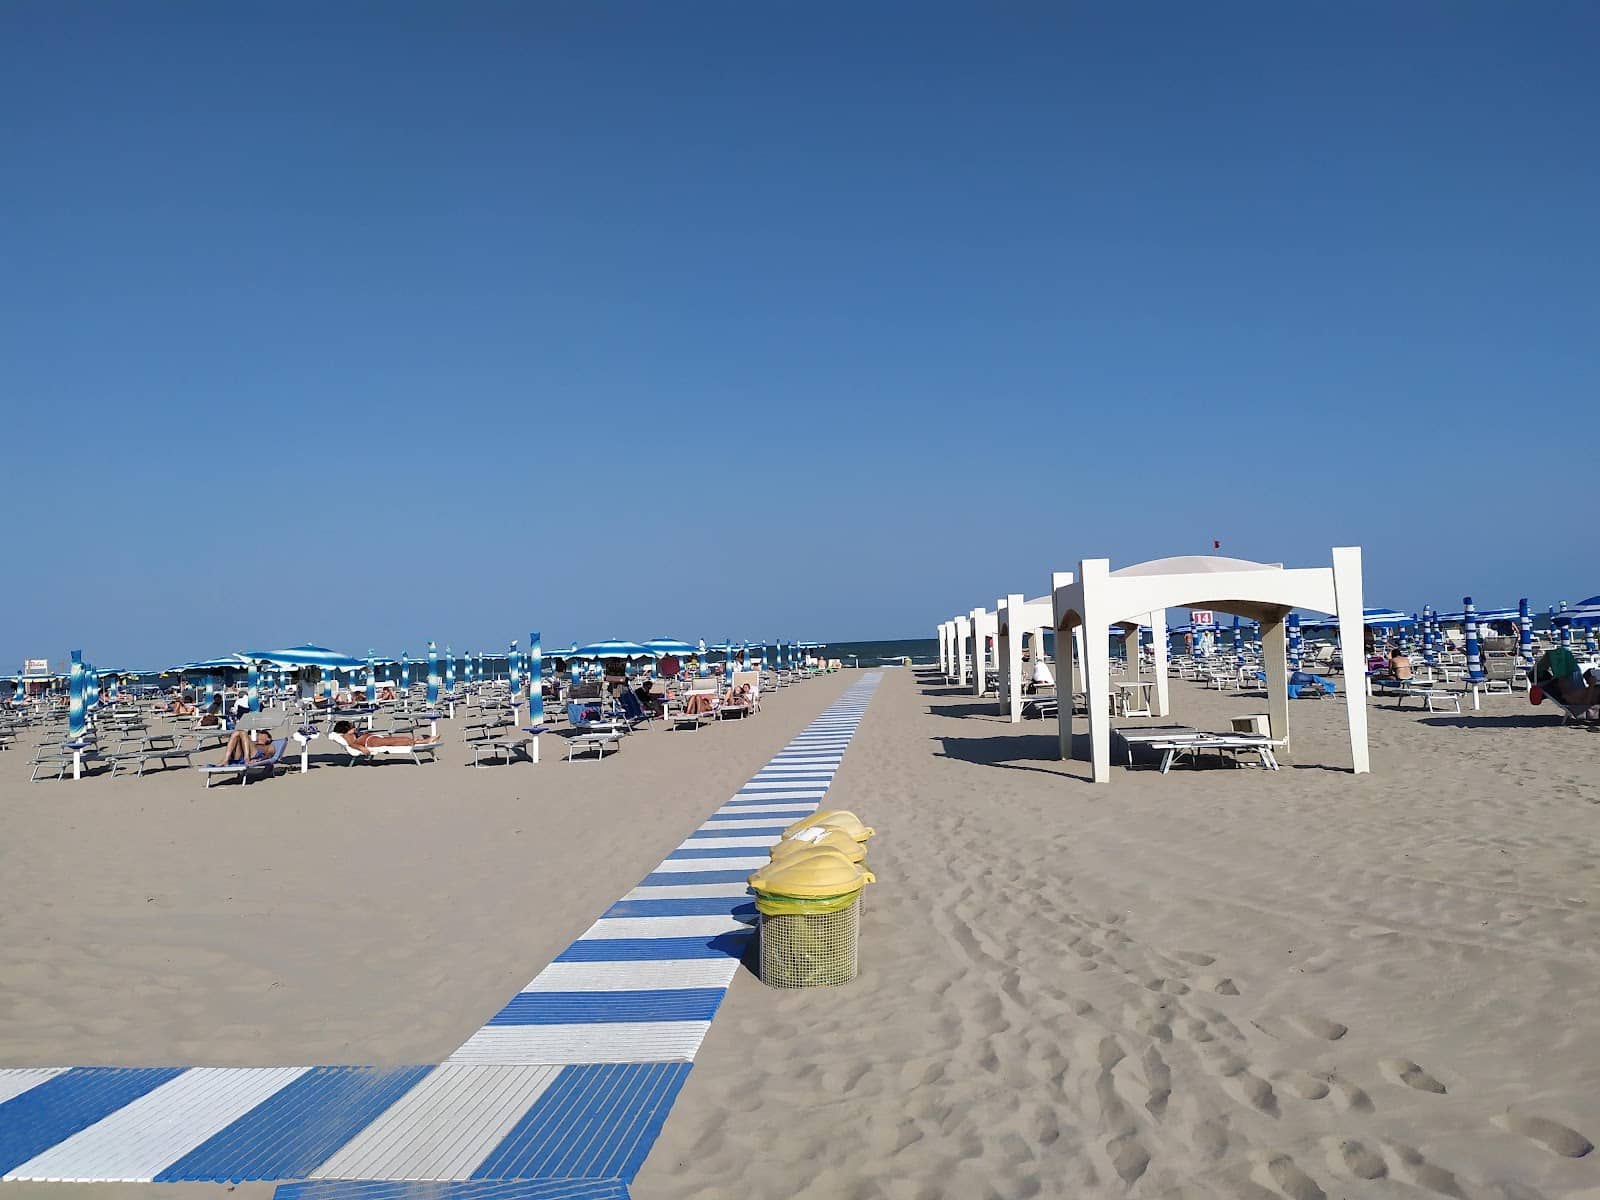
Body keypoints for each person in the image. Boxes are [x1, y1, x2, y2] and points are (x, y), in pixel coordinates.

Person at [331, 719, 439, 749]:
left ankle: (421, 741)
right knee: (393, 742)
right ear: (346, 728)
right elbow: (351, 744)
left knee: (398, 738)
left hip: (373, 738)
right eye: (350, 725)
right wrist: (362, 749)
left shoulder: (351, 732)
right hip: (370, 742)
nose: (352, 726)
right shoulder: (346, 735)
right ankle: (424, 741)